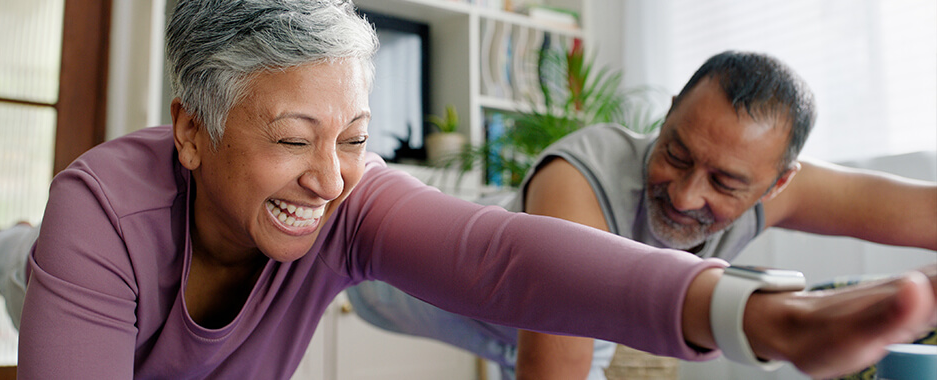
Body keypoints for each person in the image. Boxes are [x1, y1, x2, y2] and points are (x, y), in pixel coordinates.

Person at [0, 2, 937, 379]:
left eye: (354, 139)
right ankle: (18, 246)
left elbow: (498, 252)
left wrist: (754, 316)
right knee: (26, 265)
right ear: (190, 130)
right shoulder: (108, 214)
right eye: (291, 139)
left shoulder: (346, 202)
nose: (329, 177)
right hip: (79, 274)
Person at [345, 50, 937, 379]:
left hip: (527, 331)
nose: (683, 196)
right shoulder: (579, 178)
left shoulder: (787, 185)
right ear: (670, 111)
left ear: (778, 182)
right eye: (674, 152)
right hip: (381, 280)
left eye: (726, 183)